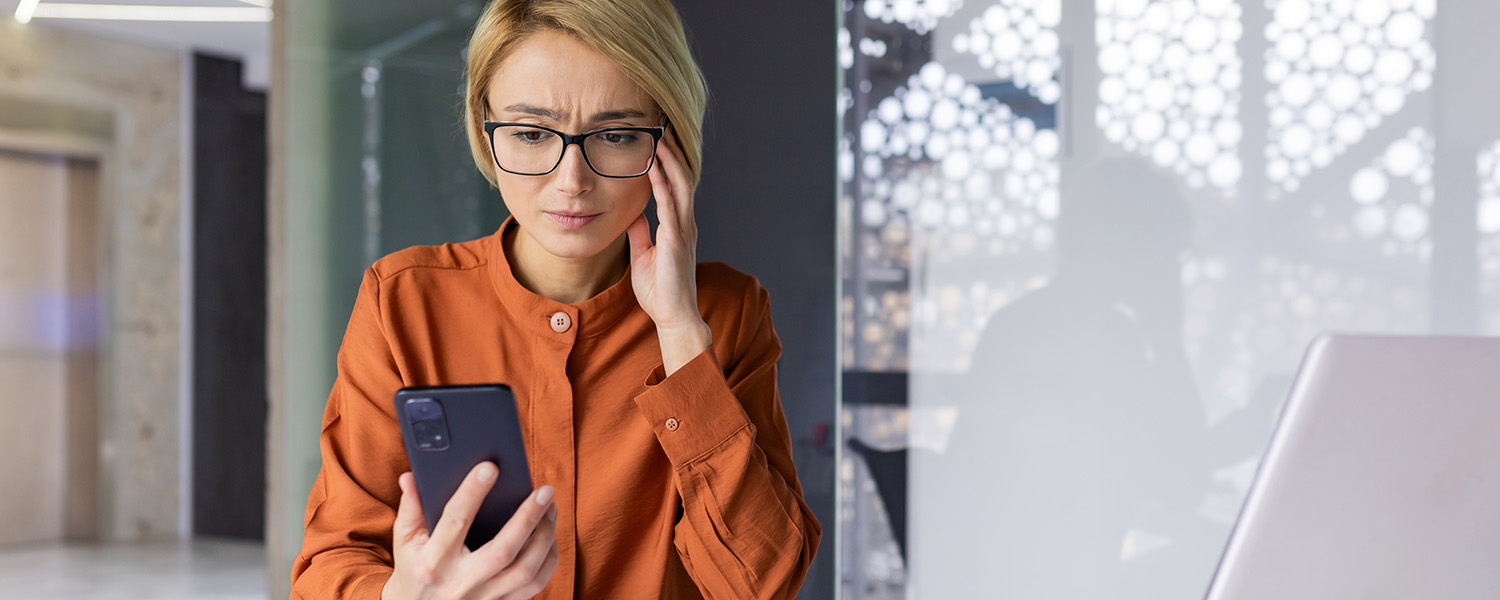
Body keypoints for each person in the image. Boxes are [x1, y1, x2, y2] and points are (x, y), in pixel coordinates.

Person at [288, 1, 821, 598]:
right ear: (486, 132)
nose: (571, 180)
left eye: (616, 135)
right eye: (532, 133)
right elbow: (330, 563)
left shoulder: (726, 312)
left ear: (668, 142)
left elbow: (761, 585)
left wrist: (679, 335)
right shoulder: (403, 302)